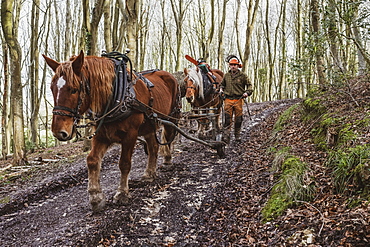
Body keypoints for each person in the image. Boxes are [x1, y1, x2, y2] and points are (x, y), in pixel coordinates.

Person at [220, 56, 253, 143]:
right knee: (227, 118)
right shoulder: (226, 76)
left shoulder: (243, 76)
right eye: (231, 65)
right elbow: (222, 85)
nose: (233, 66)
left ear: (238, 66)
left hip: (238, 100)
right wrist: (221, 90)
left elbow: (250, 85)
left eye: (235, 65)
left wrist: (247, 92)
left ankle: (237, 135)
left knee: (238, 119)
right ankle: (226, 136)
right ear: (229, 66)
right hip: (228, 99)